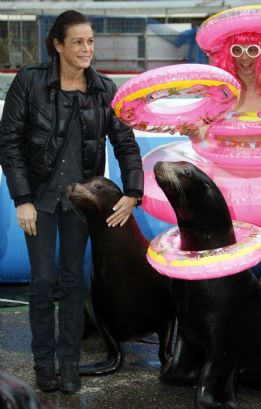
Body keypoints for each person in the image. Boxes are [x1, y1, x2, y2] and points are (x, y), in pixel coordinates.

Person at [0, 10, 143, 394]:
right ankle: (43, 363)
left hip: (81, 204)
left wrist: (133, 193)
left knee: (73, 281)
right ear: (58, 45)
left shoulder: (105, 89)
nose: (86, 48)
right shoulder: (30, 82)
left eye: (91, 41)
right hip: (40, 201)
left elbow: (126, 144)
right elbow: (9, 142)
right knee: (43, 282)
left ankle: (68, 365)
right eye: (78, 41)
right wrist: (22, 199)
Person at [194, 31, 261, 298]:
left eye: (252, 50)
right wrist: (192, 132)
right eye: (237, 51)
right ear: (228, 55)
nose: (244, 58)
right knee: (226, 264)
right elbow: (202, 133)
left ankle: (260, 315)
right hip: (228, 188)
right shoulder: (222, 91)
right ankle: (228, 320)